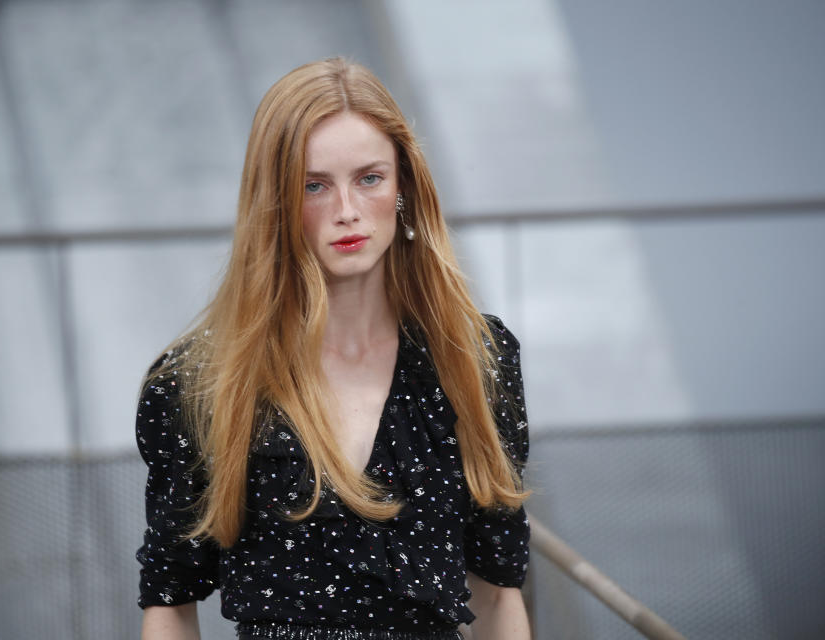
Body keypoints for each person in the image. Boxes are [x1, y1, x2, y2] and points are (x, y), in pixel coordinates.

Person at [135, 57, 532, 640]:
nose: (346, 210)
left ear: (404, 187)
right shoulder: (197, 381)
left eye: (369, 178)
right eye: (313, 185)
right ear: (274, 203)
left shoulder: (473, 357)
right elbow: (170, 602)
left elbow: (497, 595)